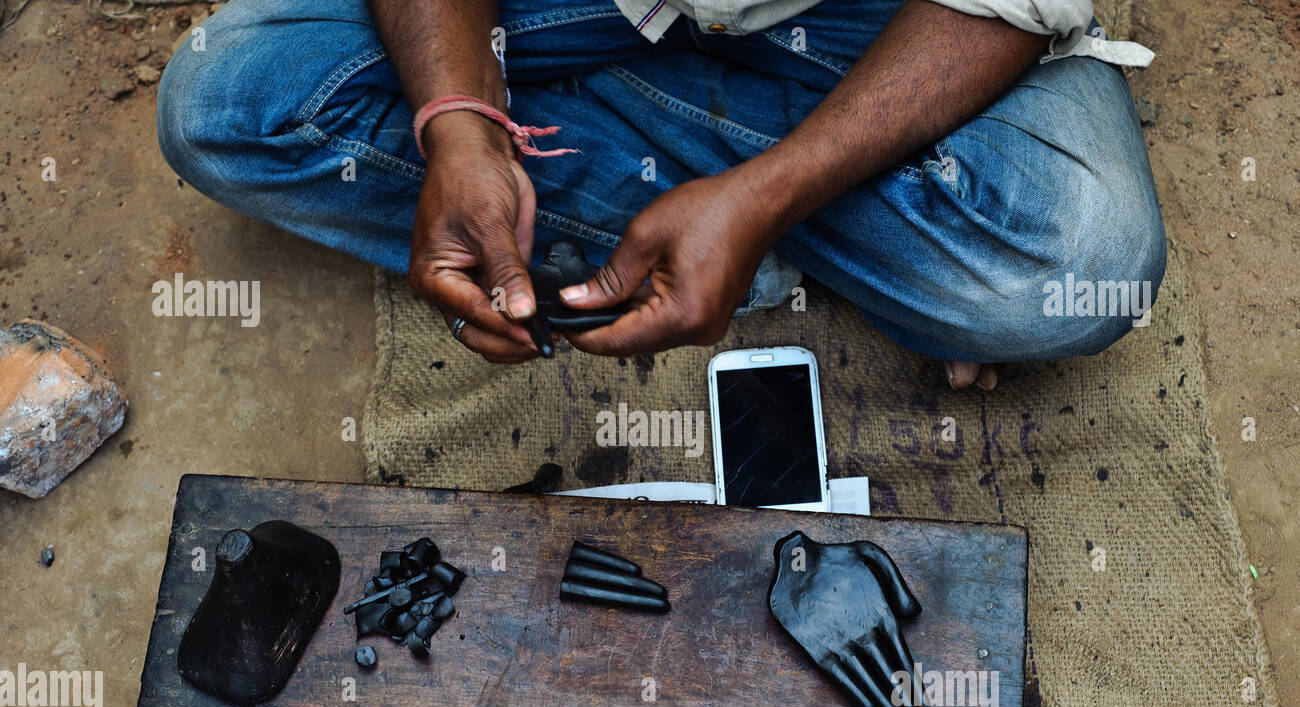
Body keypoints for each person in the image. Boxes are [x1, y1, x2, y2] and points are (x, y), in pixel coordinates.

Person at [157, 0, 1165, 390]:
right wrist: (458, 120)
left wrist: (769, 193)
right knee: (229, 99)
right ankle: (838, 231)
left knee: (1083, 264)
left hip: (893, 20)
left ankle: (726, 209)